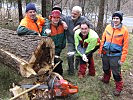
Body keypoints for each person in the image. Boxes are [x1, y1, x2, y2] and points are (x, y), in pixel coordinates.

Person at [98, 11, 129, 96]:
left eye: (117, 18)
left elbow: (125, 46)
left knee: (116, 72)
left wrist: (122, 59)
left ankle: (118, 87)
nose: (115, 20)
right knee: (105, 68)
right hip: (105, 53)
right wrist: (100, 51)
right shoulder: (108, 27)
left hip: (115, 55)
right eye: (114, 18)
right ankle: (106, 79)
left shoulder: (124, 31)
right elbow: (103, 39)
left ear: (120, 20)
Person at [63, 6, 93, 75]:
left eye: (75, 14)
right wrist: (63, 22)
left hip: (80, 41)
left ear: (79, 14)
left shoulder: (83, 19)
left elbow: (90, 25)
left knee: (79, 55)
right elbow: (60, 18)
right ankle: (71, 71)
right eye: (72, 13)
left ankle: (77, 67)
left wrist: (80, 25)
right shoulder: (67, 18)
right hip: (70, 41)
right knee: (70, 55)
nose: (73, 15)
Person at [42, 10, 66, 75]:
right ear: (51, 18)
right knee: (50, 64)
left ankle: (58, 76)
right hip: (49, 49)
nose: (56, 19)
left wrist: (63, 45)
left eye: (57, 18)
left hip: (58, 49)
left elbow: (64, 37)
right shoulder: (47, 26)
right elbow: (43, 37)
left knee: (58, 65)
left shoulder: (62, 26)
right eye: (54, 17)